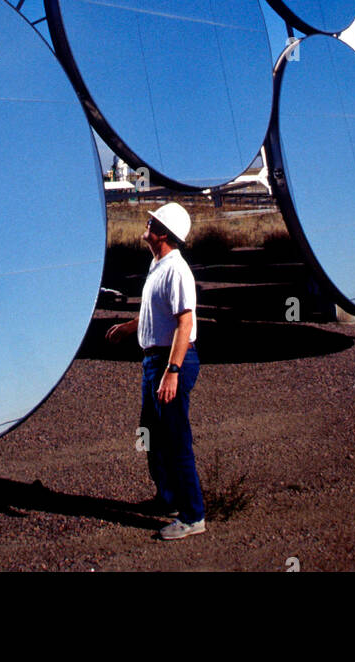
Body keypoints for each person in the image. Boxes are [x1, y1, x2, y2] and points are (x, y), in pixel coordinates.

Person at [107, 203, 205, 540]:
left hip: (171, 361)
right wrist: (128, 326)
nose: (146, 224)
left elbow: (184, 322)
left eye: (153, 222)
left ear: (163, 234)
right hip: (153, 361)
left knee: (175, 439)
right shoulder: (157, 264)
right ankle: (169, 500)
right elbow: (157, 315)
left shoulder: (177, 270)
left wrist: (172, 371)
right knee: (150, 433)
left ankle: (193, 517)